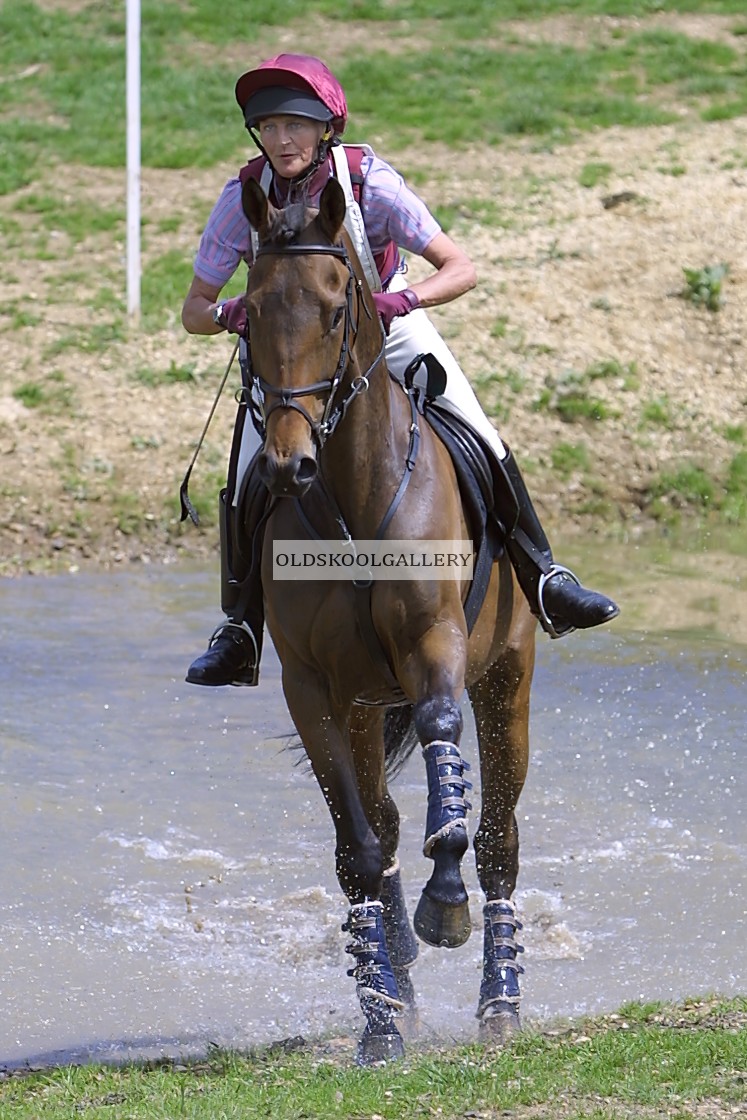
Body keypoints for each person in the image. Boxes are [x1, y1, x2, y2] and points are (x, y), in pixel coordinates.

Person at [182, 53, 619, 687]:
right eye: (270, 127)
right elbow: (193, 309)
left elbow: (459, 266)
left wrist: (403, 299)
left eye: (295, 126)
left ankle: (544, 575)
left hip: (389, 329)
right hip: (294, 353)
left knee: (480, 434)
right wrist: (235, 314)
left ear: (325, 127)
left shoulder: (368, 184)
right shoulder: (241, 198)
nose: (281, 141)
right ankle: (241, 626)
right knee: (252, 471)